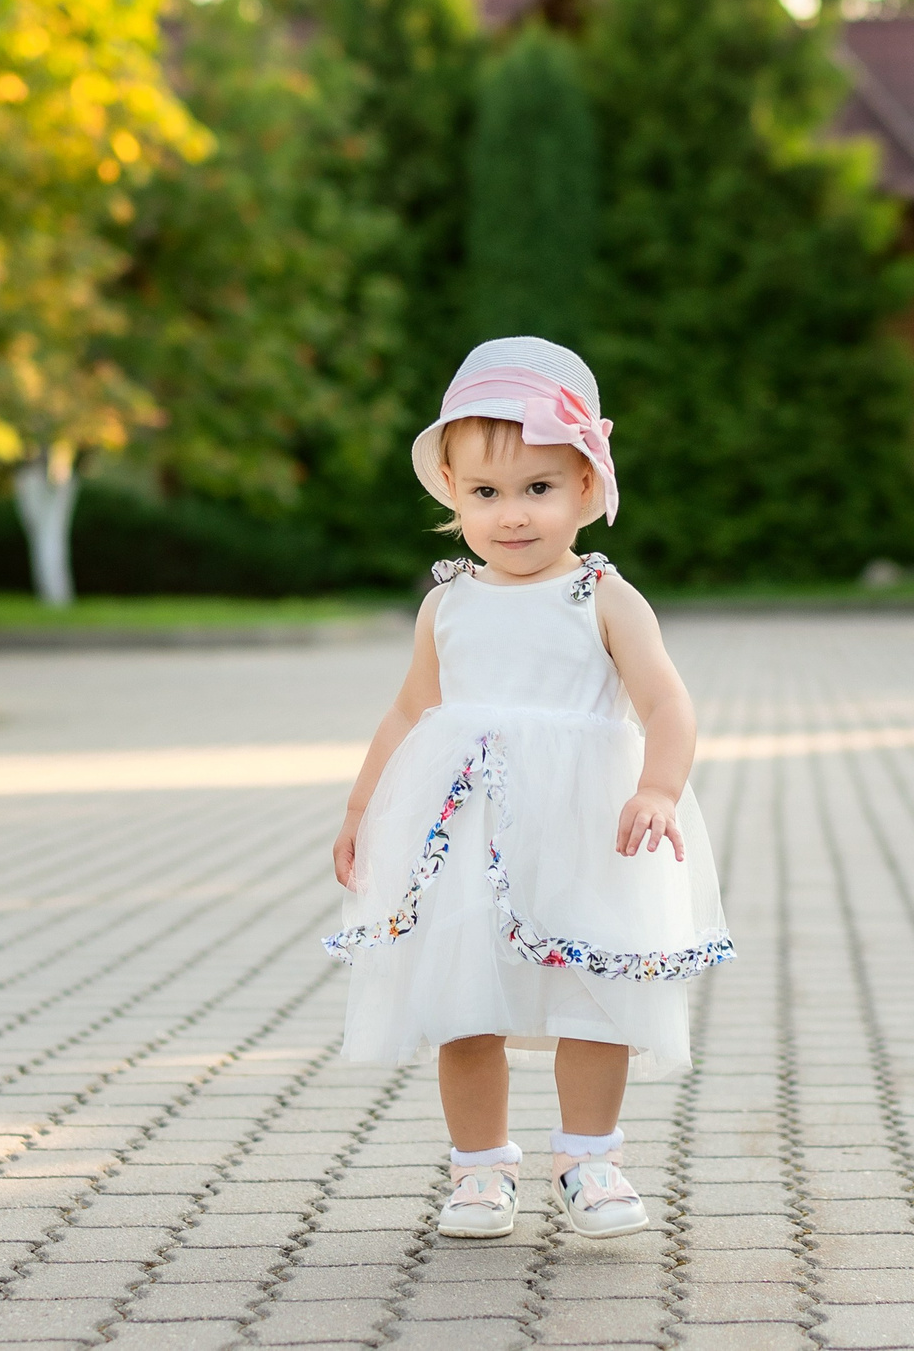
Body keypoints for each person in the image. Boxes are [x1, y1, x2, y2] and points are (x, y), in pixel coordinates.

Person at [324, 337, 732, 1241]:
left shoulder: (601, 597)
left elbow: (667, 701)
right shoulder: (449, 604)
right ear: (452, 495)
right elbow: (406, 716)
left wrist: (659, 789)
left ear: (587, 488)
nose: (512, 514)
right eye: (486, 493)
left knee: (594, 994)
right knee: (464, 1004)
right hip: (465, 838)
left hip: (587, 831)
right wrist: (362, 813)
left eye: (538, 489)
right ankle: (479, 1170)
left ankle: (588, 1157)